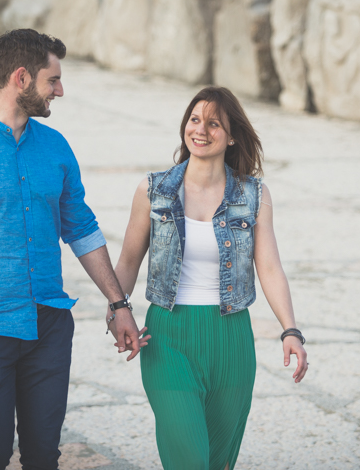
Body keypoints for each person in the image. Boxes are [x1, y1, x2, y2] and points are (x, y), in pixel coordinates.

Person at [0, 28, 147, 470]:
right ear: (21, 78)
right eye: (52, 80)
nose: (60, 90)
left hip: (49, 326)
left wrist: (119, 304)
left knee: (43, 456)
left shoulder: (55, 147)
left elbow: (82, 230)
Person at [113, 86, 308, 470]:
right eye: (195, 119)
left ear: (232, 135)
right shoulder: (153, 190)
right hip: (167, 336)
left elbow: (269, 267)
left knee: (218, 461)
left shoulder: (253, 195)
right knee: (188, 458)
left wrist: (291, 330)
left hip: (231, 340)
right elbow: (128, 261)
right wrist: (117, 311)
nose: (200, 130)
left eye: (214, 123)